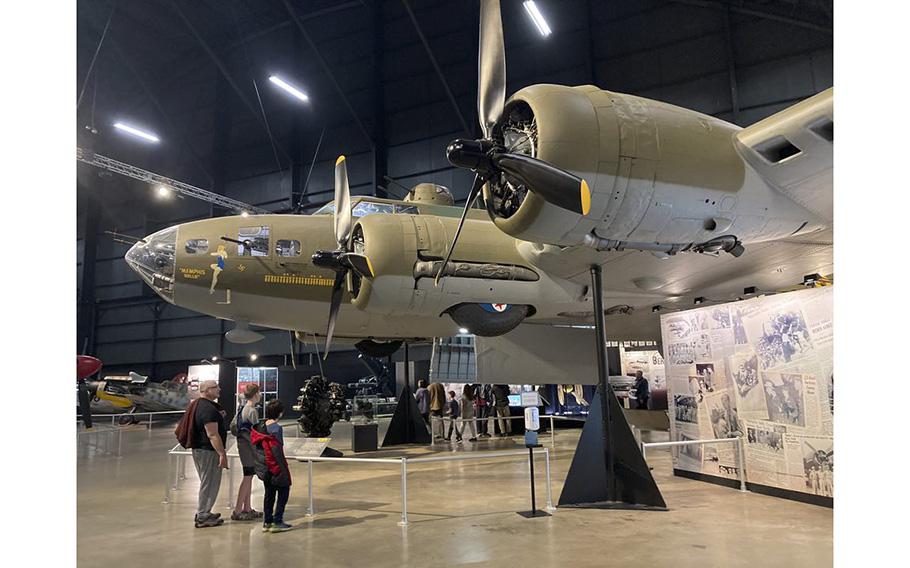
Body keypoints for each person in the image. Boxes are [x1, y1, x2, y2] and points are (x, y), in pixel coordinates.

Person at [191, 379, 229, 528]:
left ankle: (205, 511)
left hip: (201, 449)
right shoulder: (207, 409)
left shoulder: (201, 405)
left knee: (208, 481)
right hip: (208, 451)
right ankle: (202, 515)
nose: (219, 389)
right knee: (210, 482)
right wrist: (222, 454)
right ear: (206, 390)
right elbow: (212, 434)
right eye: (215, 387)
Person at [251, 400, 293, 533]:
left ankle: (267, 522)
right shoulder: (276, 429)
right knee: (284, 490)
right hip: (274, 466)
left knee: (269, 494)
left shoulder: (259, 427)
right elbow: (276, 450)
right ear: (280, 413)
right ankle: (277, 521)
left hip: (263, 467)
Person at [232, 383, 263, 521]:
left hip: (244, 447)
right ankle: (238, 510)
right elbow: (256, 434)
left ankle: (247, 507)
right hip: (249, 449)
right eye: (259, 392)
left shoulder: (243, 408)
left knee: (249, 476)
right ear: (256, 394)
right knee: (247, 477)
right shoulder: (252, 411)